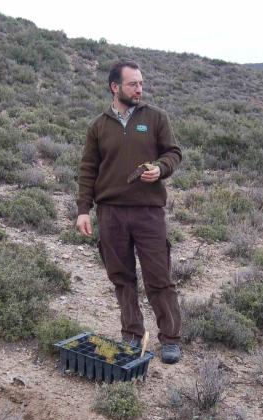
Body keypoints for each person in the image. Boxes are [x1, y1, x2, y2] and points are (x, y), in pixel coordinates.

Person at [75, 60, 183, 364]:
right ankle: (132, 335)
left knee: (158, 276)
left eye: (141, 83)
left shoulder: (155, 118)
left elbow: (173, 153)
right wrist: (84, 210)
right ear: (115, 87)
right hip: (110, 213)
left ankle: (171, 339)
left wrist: (160, 169)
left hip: (148, 213)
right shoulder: (98, 126)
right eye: (133, 84)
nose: (140, 89)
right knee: (122, 277)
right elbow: (87, 169)